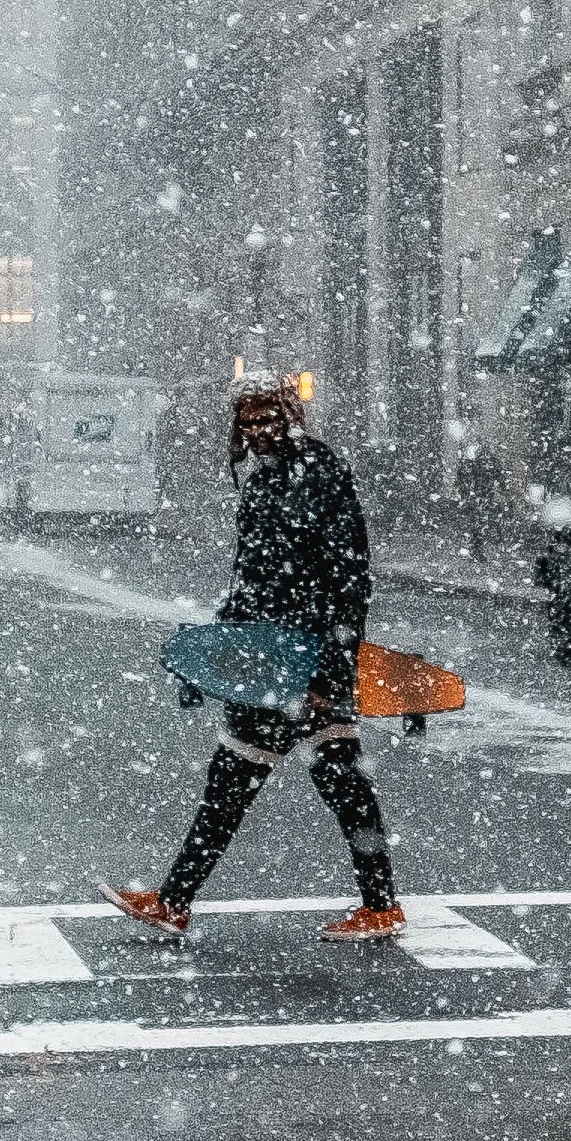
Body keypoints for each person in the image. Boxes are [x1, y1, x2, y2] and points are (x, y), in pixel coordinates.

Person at [113, 386, 404, 942]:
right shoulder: (267, 478)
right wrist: (219, 652)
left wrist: (329, 667)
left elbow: (348, 575)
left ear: (292, 415)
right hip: (268, 655)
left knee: (238, 778)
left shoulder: (315, 472)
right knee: (334, 777)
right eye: (247, 419)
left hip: (300, 658)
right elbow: (251, 579)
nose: (257, 428)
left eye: (269, 416)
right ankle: (381, 905)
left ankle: (175, 902)